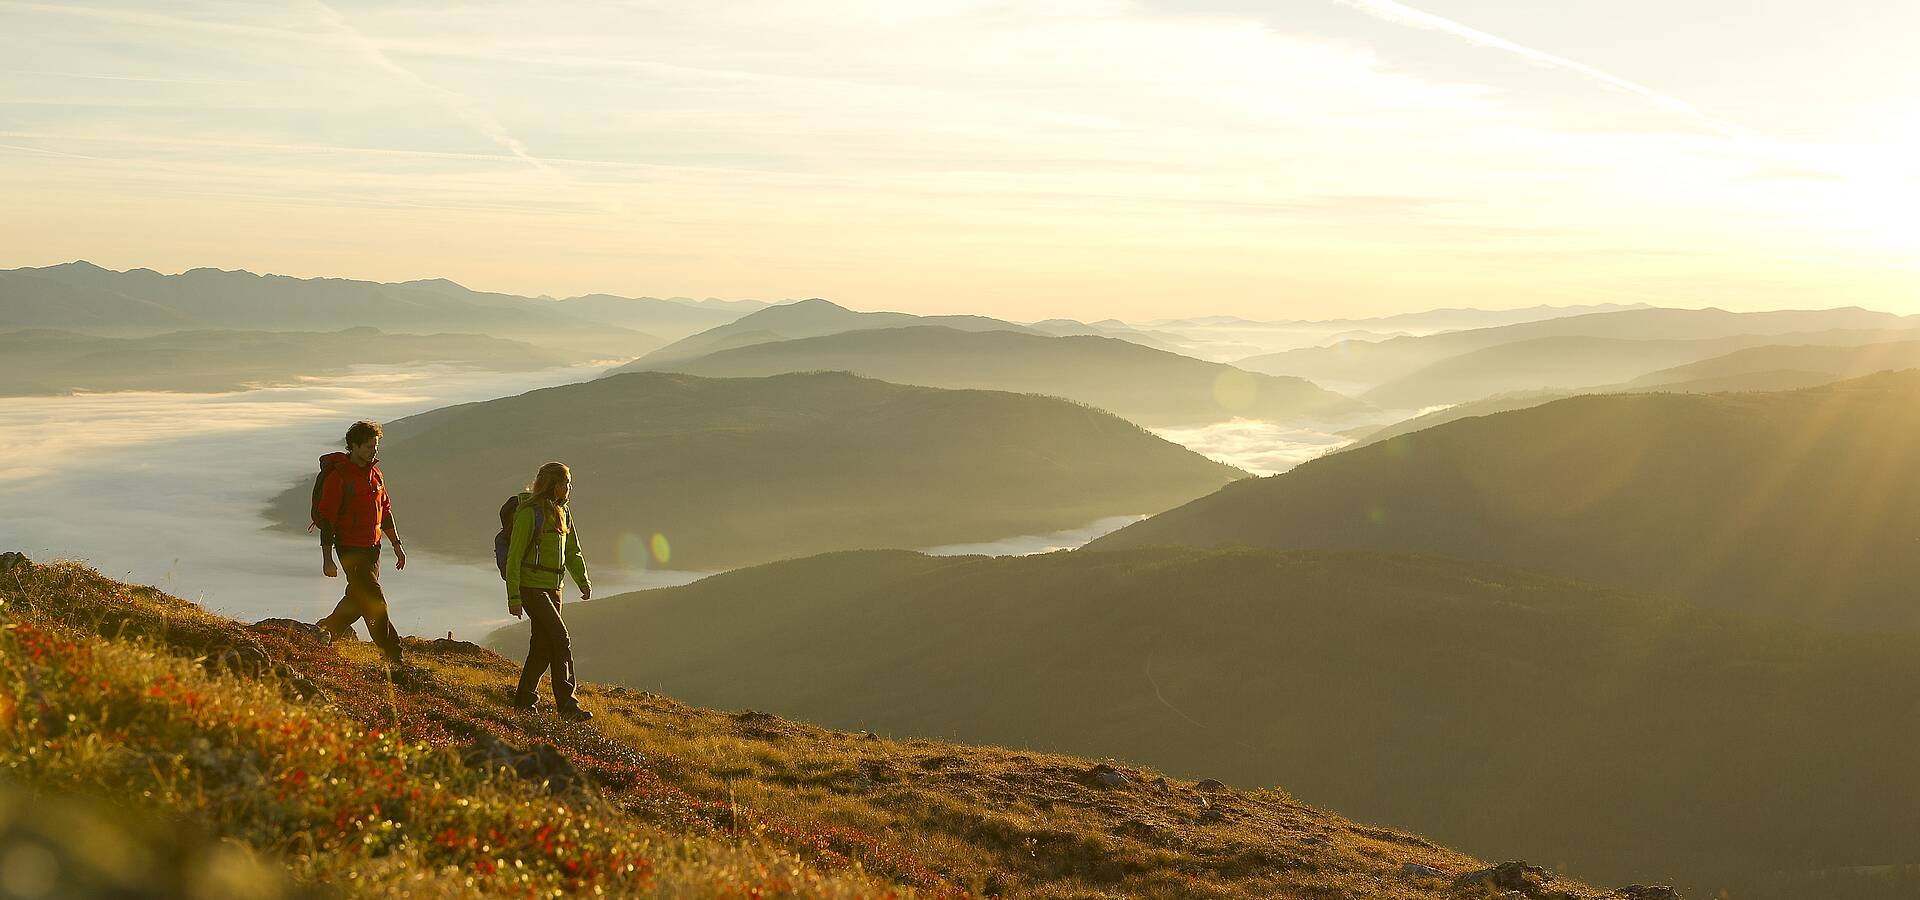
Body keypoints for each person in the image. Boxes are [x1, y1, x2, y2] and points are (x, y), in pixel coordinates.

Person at [313, 420, 408, 665]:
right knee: (375, 601)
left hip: (372, 549)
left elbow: (385, 511)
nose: (373, 452)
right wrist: (327, 559)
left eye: (375, 447)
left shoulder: (376, 474)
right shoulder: (339, 477)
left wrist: (397, 545)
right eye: (368, 447)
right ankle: (393, 655)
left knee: (357, 599)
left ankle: (324, 632)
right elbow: (327, 519)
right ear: (353, 447)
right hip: (350, 549)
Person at [505, 461, 593, 721]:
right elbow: (514, 557)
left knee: (542, 647)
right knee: (560, 638)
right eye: (566, 482)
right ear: (554, 485)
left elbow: (572, 550)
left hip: (555, 588)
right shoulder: (529, 513)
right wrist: (514, 596)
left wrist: (583, 581)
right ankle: (567, 706)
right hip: (531, 587)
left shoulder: (562, 513)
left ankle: (523, 701)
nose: (569, 487)